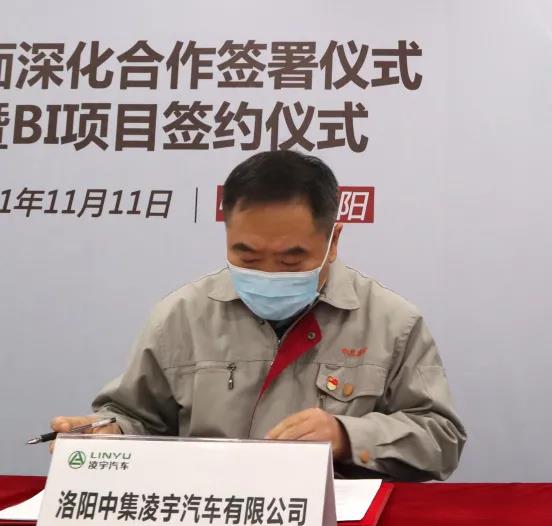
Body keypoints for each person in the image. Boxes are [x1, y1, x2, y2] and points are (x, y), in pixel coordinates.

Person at [49, 150, 466, 480]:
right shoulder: (181, 316)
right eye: (246, 257)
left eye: (291, 260)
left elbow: (441, 439)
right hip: (208, 519)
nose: (268, 274)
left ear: (333, 241)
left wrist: (347, 436)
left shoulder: (392, 322)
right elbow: (135, 417)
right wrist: (109, 433)